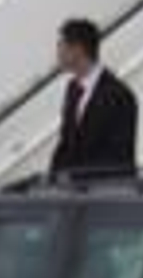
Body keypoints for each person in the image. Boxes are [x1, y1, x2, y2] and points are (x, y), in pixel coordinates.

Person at [49, 18, 138, 176]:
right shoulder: (73, 88)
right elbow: (66, 142)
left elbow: (118, 156)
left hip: (105, 193)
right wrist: (52, 179)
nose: (57, 52)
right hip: (74, 193)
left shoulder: (119, 95)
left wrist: (77, 181)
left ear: (77, 49)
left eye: (61, 45)